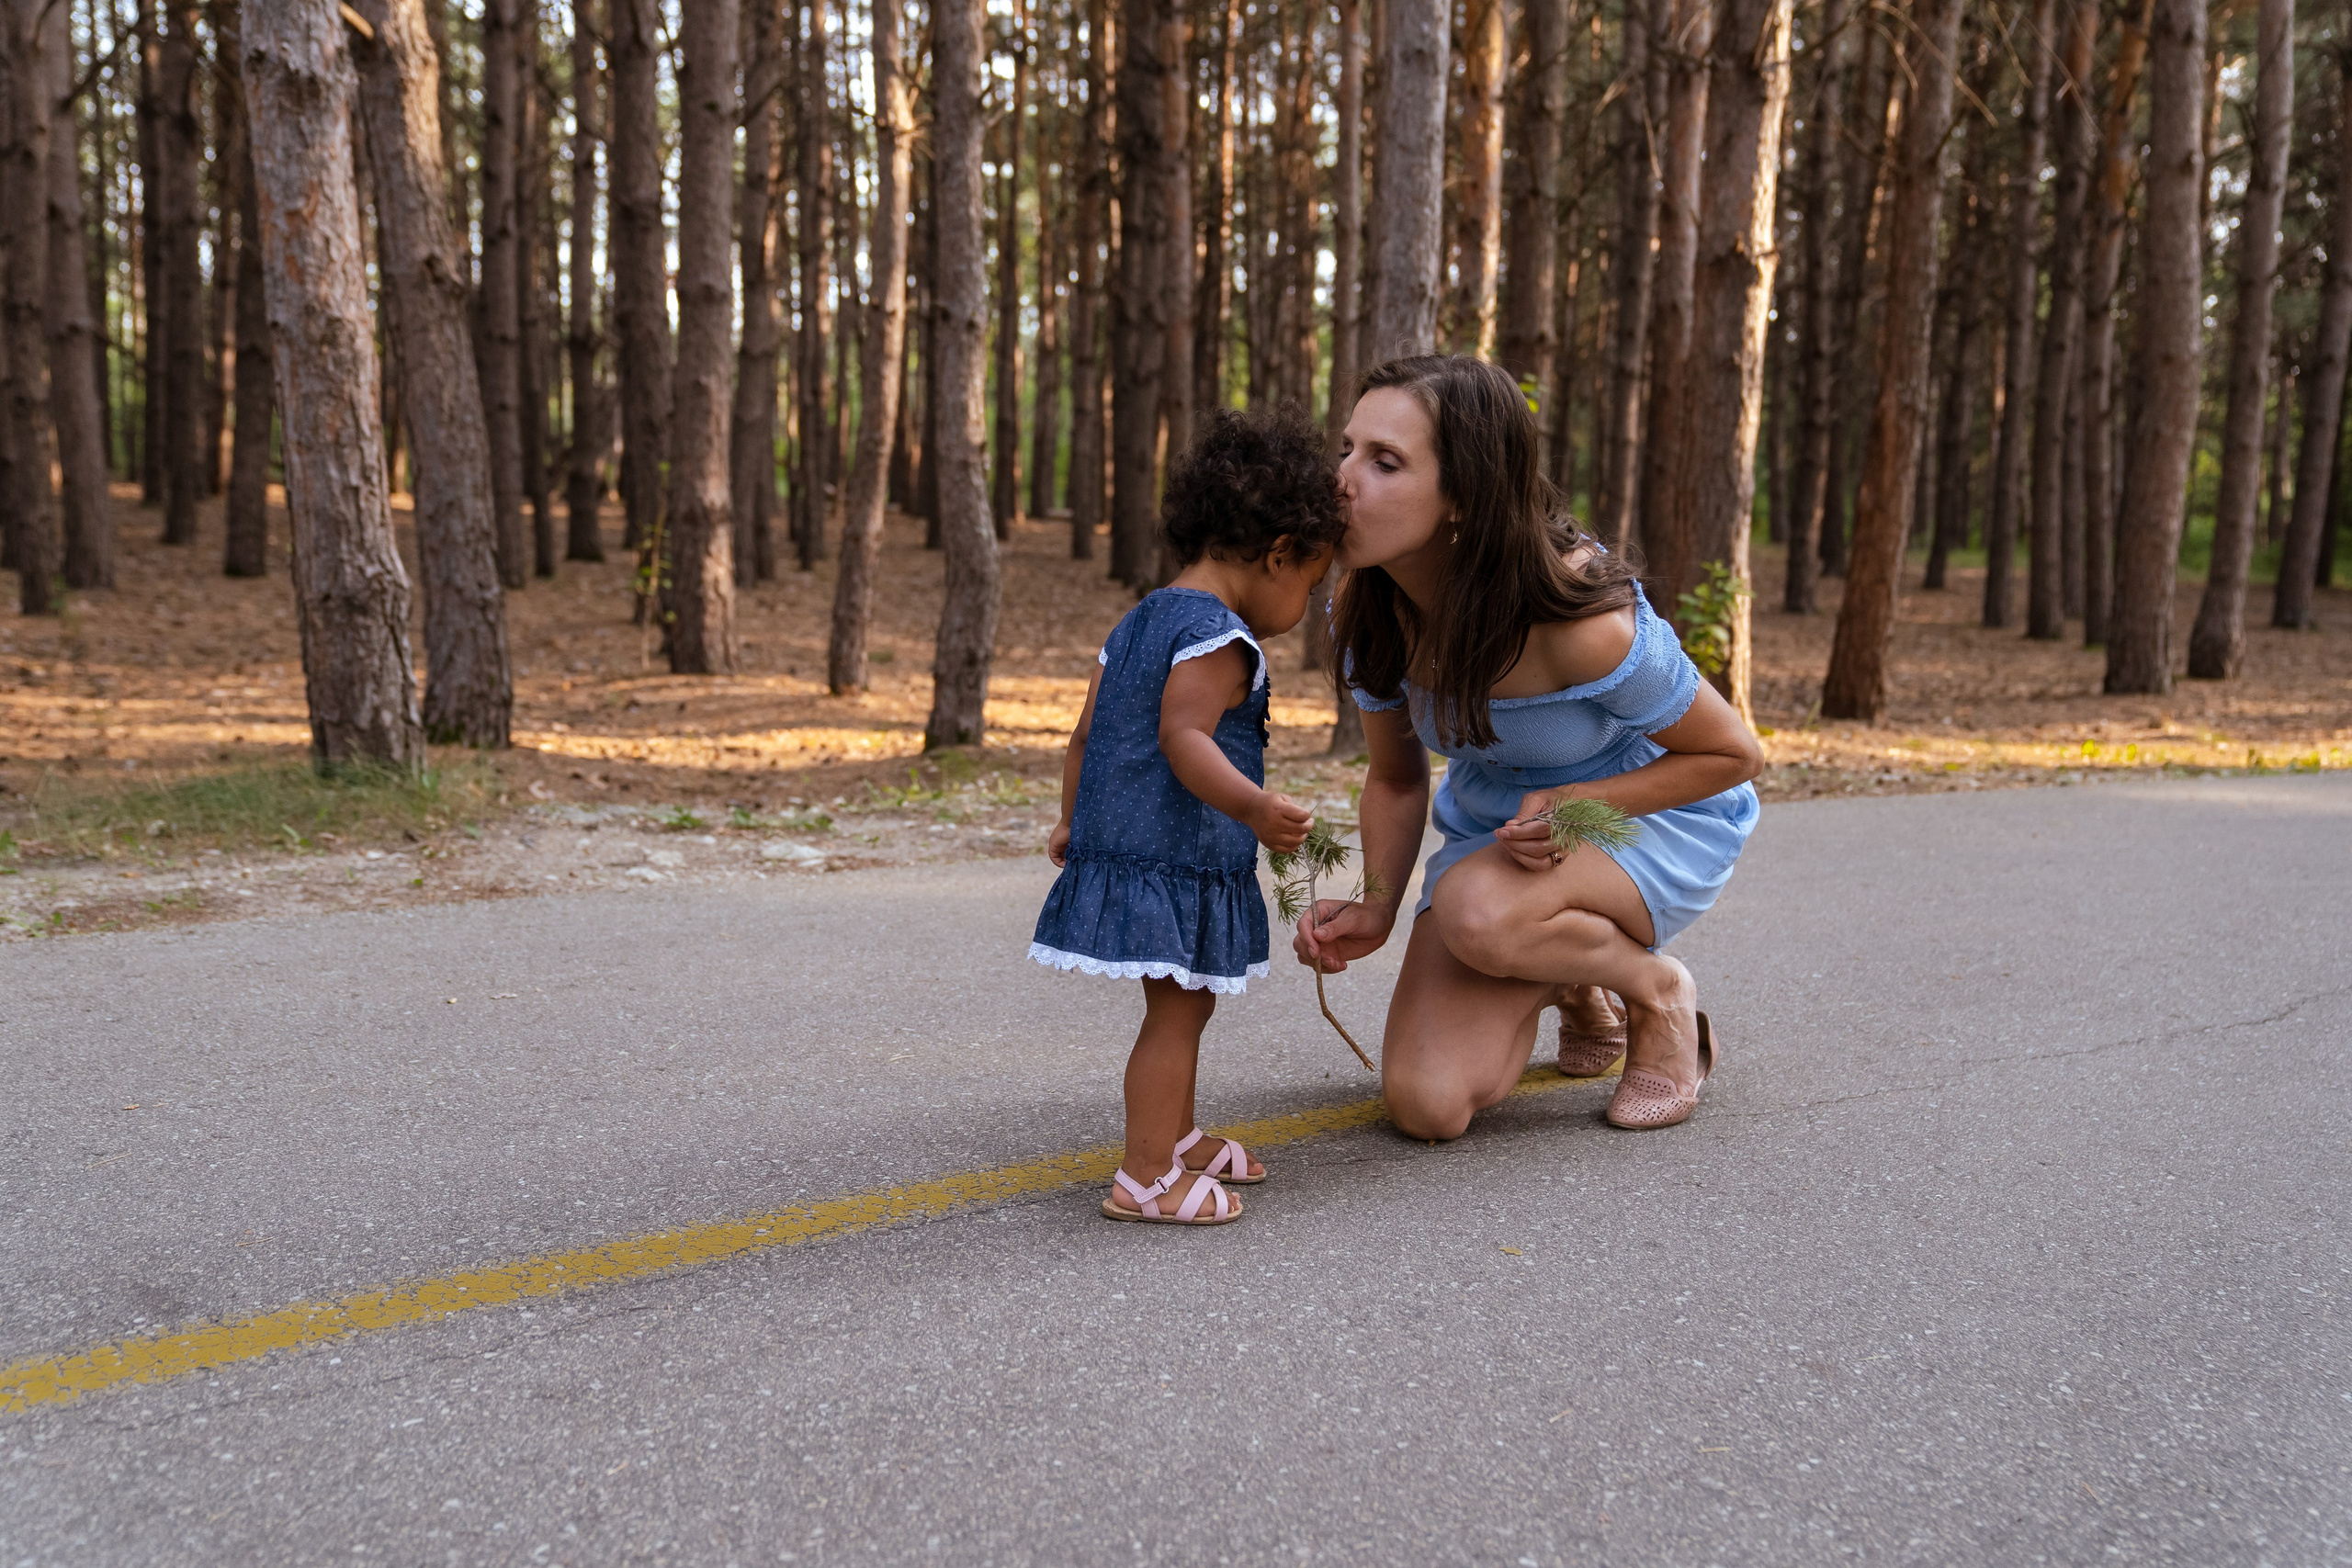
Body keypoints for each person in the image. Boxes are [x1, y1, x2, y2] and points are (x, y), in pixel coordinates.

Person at [1295, 355, 1763, 1137]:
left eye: (1385, 462)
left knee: (1477, 910)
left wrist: (1580, 806)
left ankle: (1656, 992)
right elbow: (1398, 779)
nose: (1343, 479)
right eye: (1347, 448)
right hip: (1505, 836)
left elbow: (1732, 756)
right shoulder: (1365, 609)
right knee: (1426, 1103)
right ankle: (1573, 983)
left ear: (1463, 500)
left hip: (1647, 818)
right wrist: (1377, 903)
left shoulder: (1577, 618)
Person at [1032, 407, 1347, 1225]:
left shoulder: (1140, 618)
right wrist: (1254, 804)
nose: (1306, 602)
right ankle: (1145, 1178)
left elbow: (1087, 735)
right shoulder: (1220, 636)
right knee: (1175, 1011)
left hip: (1133, 847)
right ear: (1279, 553)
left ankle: (1175, 1136)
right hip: (1171, 854)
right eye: (1311, 583)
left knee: (1185, 1000)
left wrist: (1075, 821)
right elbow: (1183, 736)